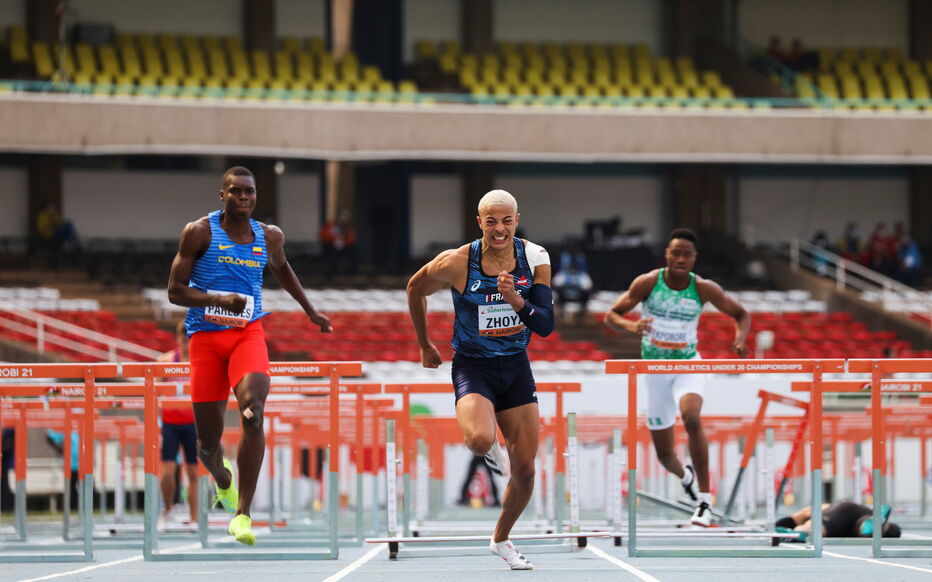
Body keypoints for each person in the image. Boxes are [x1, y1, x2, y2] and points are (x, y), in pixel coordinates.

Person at [167, 166, 332, 546]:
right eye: (236, 192)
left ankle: (242, 513)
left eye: (250, 193)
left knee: (253, 409)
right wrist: (216, 298)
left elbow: (282, 268)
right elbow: (175, 291)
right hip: (206, 340)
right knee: (206, 444)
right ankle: (222, 479)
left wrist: (310, 311)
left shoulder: (269, 236)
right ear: (222, 195)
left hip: (248, 334)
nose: (244, 198)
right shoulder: (199, 232)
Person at [406, 189, 553, 570]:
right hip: (473, 366)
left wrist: (517, 300)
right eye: (491, 221)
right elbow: (414, 288)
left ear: (516, 221)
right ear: (480, 223)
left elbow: (546, 325)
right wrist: (425, 344)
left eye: (506, 221)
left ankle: (501, 540)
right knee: (480, 439)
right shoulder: (457, 261)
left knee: (525, 471)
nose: (499, 229)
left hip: (516, 367)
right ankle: (491, 451)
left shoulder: (535, 258)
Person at [604, 228, 750, 527]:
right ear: (667, 255)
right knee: (665, 455)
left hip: (688, 365)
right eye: (676, 253)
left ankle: (705, 501)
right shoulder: (648, 282)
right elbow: (612, 315)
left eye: (687, 254)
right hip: (655, 371)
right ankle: (686, 477)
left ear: (694, 259)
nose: (681, 258)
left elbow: (741, 314)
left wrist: (740, 339)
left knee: (692, 419)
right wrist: (632, 327)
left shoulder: (703, 288)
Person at [156, 320, 198, 527]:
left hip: (193, 423)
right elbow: (154, 392)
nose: (187, 343)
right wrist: (157, 422)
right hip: (170, 423)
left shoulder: (200, 362)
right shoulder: (165, 361)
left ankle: (195, 517)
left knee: (193, 472)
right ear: (178, 339)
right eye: (184, 339)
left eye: (191, 339)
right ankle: (168, 508)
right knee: (167, 470)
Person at [775, 502, 901, 540]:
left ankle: (794, 534)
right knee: (864, 529)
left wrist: (780, 528)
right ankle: (884, 526)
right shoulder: (827, 506)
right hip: (862, 514)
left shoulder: (823, 508)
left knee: (815, 526)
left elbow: (796, 517)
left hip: (841, 514)